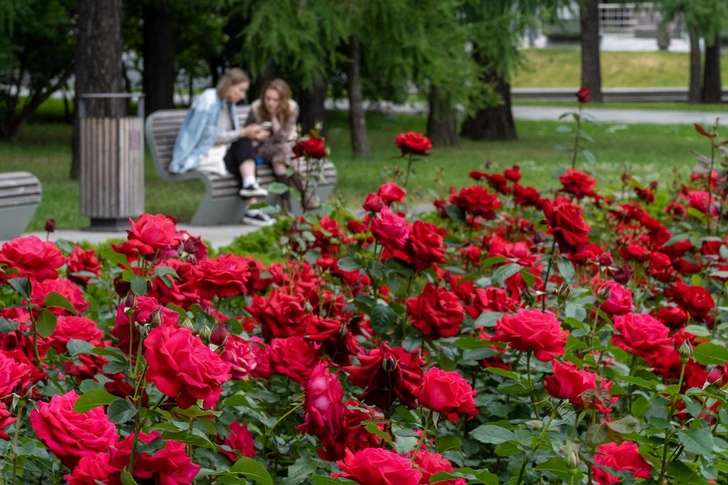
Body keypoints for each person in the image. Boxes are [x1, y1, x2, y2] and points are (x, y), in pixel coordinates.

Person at [169, 68, 274, 227]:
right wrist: (243, 132)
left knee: (243, 148)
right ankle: (252, 205)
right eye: (241, 90)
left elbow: (228, 135)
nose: (243, 95)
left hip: (220, 151)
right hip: (202, 153)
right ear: (230, 85)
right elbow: (207, 138)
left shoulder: (227, 102)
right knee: (242, 149)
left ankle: (250, 187)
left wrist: (251, 134)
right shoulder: (209, 99)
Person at [245, 78, 309, 212]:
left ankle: (286, 206)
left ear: (283, 100)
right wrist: (258, 134)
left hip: (281, 151)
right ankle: (304, 193)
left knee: (280, 159)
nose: (270, 103)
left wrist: (273, 117)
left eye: (275, 100)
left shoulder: (291, 108)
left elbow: (282, 137)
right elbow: (247, 134)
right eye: (268, 99)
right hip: (261, 149)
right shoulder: (256, 108)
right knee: (283, 151)